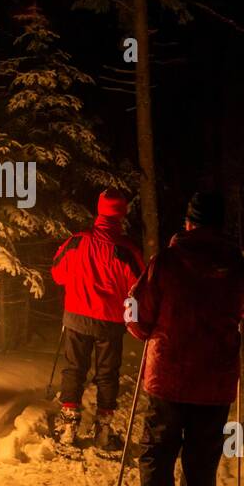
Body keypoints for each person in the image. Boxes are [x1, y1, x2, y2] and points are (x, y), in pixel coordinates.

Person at [126, 191, 244, 486]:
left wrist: (143, 331)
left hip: (167, 377)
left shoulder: (166, 262)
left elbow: (137, 311)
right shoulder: (237, 266)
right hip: (215, 382)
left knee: (157, 451)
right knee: (201, 460)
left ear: (188, 222)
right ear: (220, 225)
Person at [50, 188, 144, 452]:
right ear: (122, 214)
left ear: (99, 209)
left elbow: (57, 273)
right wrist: (134, 318)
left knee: (74, 369)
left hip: (77, 316)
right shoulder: (126, 250)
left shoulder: (78, 241)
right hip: (110, 322)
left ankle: (69, 428)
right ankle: (103, 431)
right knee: (107, 374)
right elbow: (140, 288)